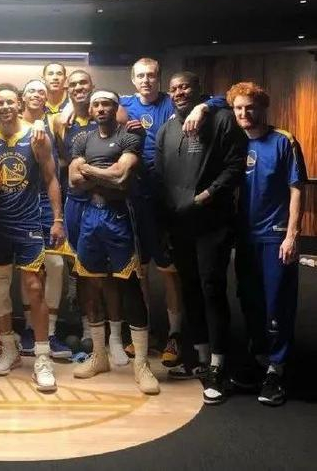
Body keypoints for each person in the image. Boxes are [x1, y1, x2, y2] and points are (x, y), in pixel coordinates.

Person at [117, 57, 227, 367]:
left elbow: (223, 99)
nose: (146, 80)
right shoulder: (124, 104)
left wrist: (202, 107)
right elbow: (92, 107)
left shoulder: (173, 100)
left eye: (152, 75)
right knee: (138, 268)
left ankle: (175, 334)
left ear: (160, 78)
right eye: (141, 76)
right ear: (133, 79)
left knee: (170, 270)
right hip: (135, 196)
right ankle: (143, 330)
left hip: (167, 195)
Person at [0, 83, 65, 392]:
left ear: (19, 104)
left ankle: (42, 358)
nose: (5, 107)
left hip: (28, 222)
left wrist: (57, 219)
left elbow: (51, 179)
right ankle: (8, 349)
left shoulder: (37, 136)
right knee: (0, 289)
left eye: (9, 102)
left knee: (35, 288)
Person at [155, 71, 247, 404]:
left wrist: (207, 195)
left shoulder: (222, 120)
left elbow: (235, 166)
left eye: (185, 87)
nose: (179, 92)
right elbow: (161, 178)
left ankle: (219, 365)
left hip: (213, 223)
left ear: (198, 90)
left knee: (211, 289)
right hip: (180, 226)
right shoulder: (166, 130)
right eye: (174, 89)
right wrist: (166, 224)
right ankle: (201, 359)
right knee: (190, 289)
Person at [69, 90, 159, 395]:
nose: (100, 108)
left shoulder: (128, 137)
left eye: (106, 103)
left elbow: (121, 177)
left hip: (119, 216)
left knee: (130, 286)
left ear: (116, 108)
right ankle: (99, 356)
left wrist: (90, 170)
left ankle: (141, 364)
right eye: (96, 104)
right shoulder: (82, 139)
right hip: (90, 217)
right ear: (91, 109)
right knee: (91, 285)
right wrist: (104, 175)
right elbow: (73, 181)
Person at [228, 82, 306, 406]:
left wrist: (292, 234)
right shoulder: (233, 143)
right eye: (238, 108)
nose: (244, 113)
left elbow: (297, 188)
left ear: (262, 108)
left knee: (277, 304)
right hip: (245, 238)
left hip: (275, 236)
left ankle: (277, 368)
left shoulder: (284, 141)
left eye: (250, 107)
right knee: (251, 301)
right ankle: (257, 357)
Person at [20, 79, 73, 359]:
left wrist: (58, 217)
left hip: (47, 199)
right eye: (31, 90)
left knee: (55, 264)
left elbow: (81, 104)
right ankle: (30, 329)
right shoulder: (13, 124)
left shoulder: (55, 122)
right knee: (28, 268)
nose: (37, 94)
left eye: (42, 91)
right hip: (21, 200)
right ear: (22, 96)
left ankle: (50, 332)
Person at [52, 70, 99, 352]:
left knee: (96, 268)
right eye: (74, 84)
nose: (79, 87)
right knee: (73, 267)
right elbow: (62, 159)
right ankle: (81, 327)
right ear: (67, 89)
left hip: (103, 199)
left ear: (92, 86)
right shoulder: (60, 121)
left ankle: (99, 332)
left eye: (84, 82)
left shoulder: (106, 111)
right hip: (73, 200)